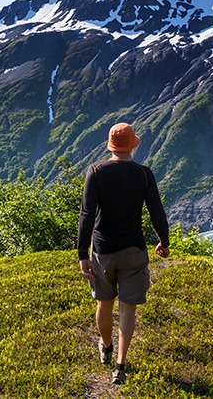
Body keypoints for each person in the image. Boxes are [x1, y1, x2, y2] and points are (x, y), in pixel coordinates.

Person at [77, 122, 171, 386]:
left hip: (103, 251)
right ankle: (120, 364)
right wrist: (163, 241)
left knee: (103, 303)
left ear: (110, 144)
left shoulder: (95, 171)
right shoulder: (144, 174)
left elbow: (86, 214)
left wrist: (82, 252)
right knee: (127, 308)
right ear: (133, 145)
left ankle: (105, 347)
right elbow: (156, 212)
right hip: (133, 249)